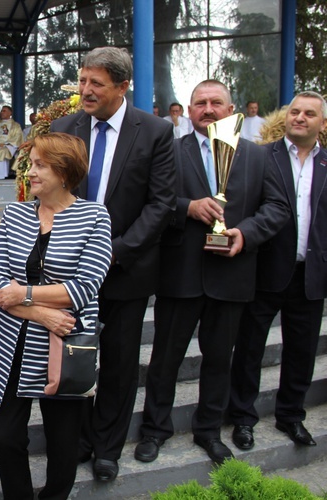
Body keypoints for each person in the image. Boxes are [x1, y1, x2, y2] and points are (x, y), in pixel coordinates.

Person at [134, 80, 289, 467]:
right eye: (200, 103)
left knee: (220, 360)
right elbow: (151, 200)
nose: (208, 109)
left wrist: (245, 233)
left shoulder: (256, 156)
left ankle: (208, 431)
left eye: (216, 103)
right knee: (165, 360)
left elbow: (277, 208)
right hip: (180, 273)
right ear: (188, 111)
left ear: (232, 108)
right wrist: (186, 207)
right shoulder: (168, 150)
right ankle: (155, 430)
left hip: (233, 273)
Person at [50, 46, 176, 482]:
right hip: (69, 274)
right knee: (73, 358)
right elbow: (49, 196)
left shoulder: (156, 131)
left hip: (127, 271)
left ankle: (107, 448)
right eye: (82, 80)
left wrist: (112, 252)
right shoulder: (64, 128)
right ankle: (78, 440)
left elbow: (160, 206)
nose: (85, 90)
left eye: (96, 83)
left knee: (121, 363)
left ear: (122, 87)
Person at [0, 133, 112, 499]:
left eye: (40, 164)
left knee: (64, 445)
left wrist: (22, 293)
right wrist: (41, 312)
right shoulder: (15, 213)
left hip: (66, 346)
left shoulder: (93, 216)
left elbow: (84, 286)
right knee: (6, 435)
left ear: (64, 170)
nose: (30, 171)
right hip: (14, 344)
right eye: (31, 163)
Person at [228, 91, 327, 450]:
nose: (299, 118)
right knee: (250, 348)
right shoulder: (261, 157)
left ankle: (291, 417)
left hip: (310, 275)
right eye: (295, 111)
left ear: (322, 123)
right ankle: (242, 417)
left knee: (301, 352)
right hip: (266, 270)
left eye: (309, 114)